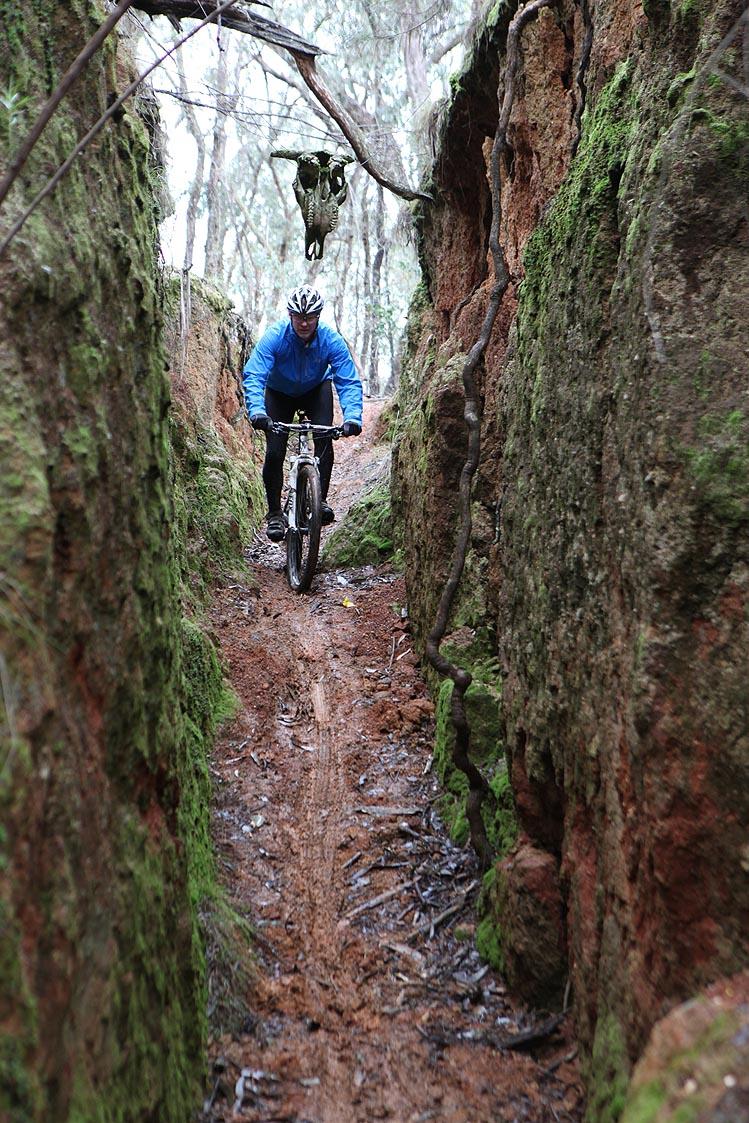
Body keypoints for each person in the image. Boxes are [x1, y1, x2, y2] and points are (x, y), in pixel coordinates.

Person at [243, 284, 363, 541]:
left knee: (324, 441)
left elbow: (347, 380)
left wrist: (352, 416)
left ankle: (320, 502)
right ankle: (275, 513)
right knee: (275, 451)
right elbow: (254, 373)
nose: (304, 323)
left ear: (318, 317)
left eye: (309, 317)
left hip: (315, 389)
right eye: (299, 317)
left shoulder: (331, 340)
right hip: (278, 393)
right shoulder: (275, 336)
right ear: (290, 315)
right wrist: (257, 411)